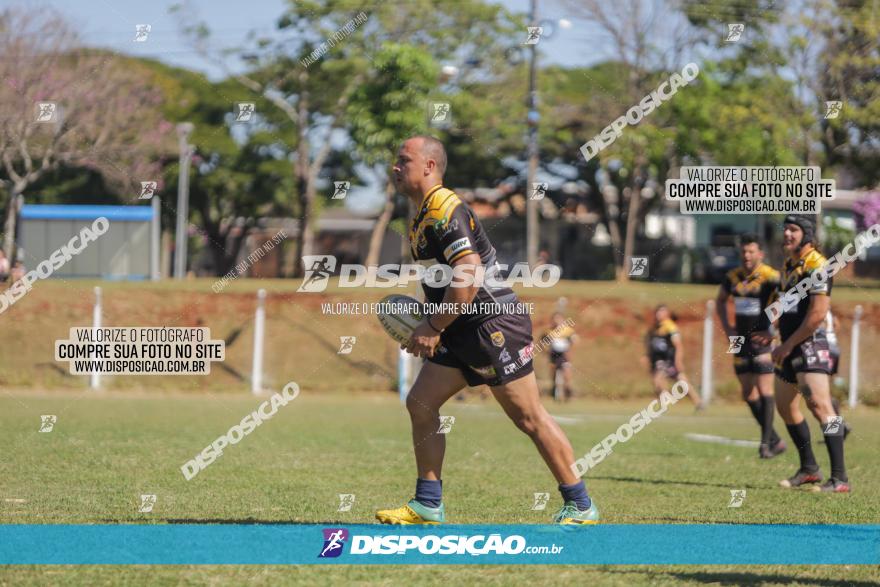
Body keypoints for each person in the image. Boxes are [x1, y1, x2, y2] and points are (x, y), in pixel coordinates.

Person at [375, 135, 599, 525]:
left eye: (403, 160)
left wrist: (432, 325)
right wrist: (431, 326)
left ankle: (581, 504)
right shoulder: (422, 214)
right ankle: (428, 503)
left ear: (429, 166)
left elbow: (468, 276)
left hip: (492, 325)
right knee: (421, 404)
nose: (395, 167)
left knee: (529, 417)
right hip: (461, 327)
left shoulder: (446, 210)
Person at [752, 215, 850, 492]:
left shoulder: (818, 264)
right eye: (785, 229)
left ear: (807, 234)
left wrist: (787, 344)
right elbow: (788, 305)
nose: (787, 234)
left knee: (820, 406)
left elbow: (817, 315)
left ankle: (840, 478)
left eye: (794, 230)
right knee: (785, 406)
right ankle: (809, 469)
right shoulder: (789, 265)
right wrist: (772, 332)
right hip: (790, 343)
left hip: (811, 343)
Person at [715, 234, 787, 459]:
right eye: (743, 252)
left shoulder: (771, 277)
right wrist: (728, 329)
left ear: (760, 254)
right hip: (739, 340)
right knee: (747, 392)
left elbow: (789, 300)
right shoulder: (732, 277)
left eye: (751, 252)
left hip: (762, 339)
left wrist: (773, 328)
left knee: (765, 390)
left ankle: (765, 444)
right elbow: (720, 300)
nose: (746, 256)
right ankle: (774, 439)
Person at [644, 305, 703, 409]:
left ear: (667, 314)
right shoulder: (656, 328)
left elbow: (678, 345)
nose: (659, 314)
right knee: (672, 381)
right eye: (658, 312)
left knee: (666, 380)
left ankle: (696, 402)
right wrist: (647, 356)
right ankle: (697, 402)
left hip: (669, 360)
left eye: (662, 312)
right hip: (660, 360)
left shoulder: (670, 327)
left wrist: (678, 360)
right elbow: (653, 345)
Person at [543, 312, 577, 401]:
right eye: (555, 319)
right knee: (553, 373)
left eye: (559, 319)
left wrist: (570, 353)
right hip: (553, 355)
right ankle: (554, 390)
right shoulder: (548, 331)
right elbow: (542, 342)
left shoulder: (568, 331)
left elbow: (574, 342)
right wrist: (546, 351)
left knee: (567, 373)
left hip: (564, 355)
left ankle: (568, 391)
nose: (556, 321)